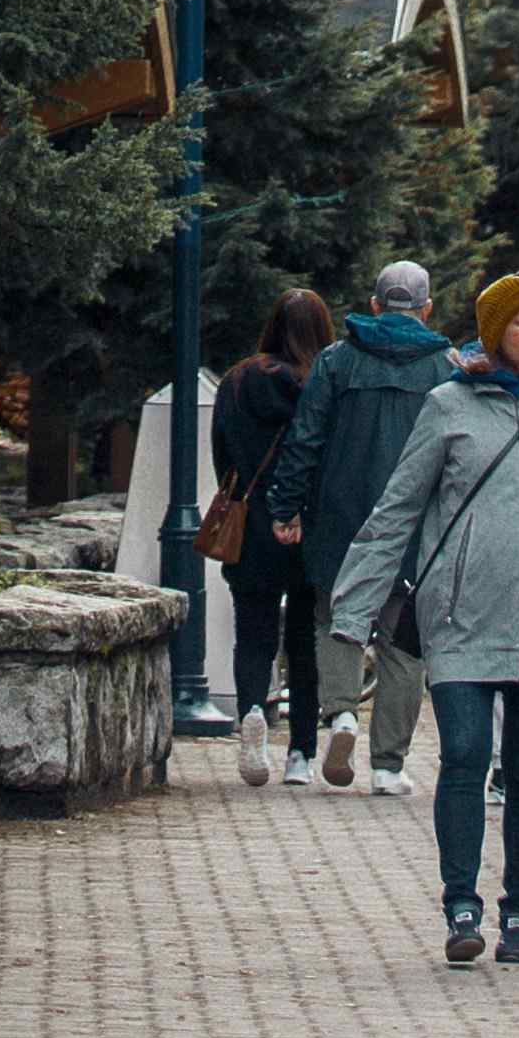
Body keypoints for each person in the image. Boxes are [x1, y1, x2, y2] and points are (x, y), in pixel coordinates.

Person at [331, 275, 519, 967]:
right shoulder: (447, 407)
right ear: (495, 334)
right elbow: (398, 509)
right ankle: (462, 902)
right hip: (460, 614)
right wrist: (354, 608)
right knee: (462, 755)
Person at [265, 256, 452, 797]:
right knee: (405, 643)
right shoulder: (444, 368)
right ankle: (389, 766)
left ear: (374, 304)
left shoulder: (337, 361)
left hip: (341, 517)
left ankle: (342, 715)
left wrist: (286, 507)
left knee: (335, 618)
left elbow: (305, 439)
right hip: (416, 524)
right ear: (427, 308)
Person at [213, 287, 333, 783]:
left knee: (254, 632)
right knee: (304, 640)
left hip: (250, 522)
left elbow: (222, 452)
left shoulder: (236, 381)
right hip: (307, 521)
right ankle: (301, 755)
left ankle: (252, 714)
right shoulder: (323, 382)